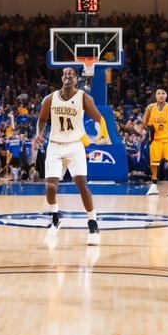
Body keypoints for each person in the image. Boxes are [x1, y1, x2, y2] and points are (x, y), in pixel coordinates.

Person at [32, 66, 108, 246]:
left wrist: (101, 133)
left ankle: (92, 223)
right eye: (65, 74)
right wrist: (38, 133)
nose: (68, 76)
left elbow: (99, 119)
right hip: (55, 145)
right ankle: (55, 217)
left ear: (76, 79)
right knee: (50, 187)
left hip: (75, 146)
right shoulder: (50, 98)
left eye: (72, 74)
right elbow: (42, 119)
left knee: (81, 184)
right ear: (61, 78)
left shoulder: (84, 97)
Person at [142, 88, 168, 196]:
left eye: (163, 93)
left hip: (166, 140)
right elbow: (145, 123)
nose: (161, 95)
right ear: (155, 96)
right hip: (155, 140)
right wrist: (148, 129)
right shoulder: (150, 108)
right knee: (153, 163)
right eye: (158, 93)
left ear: (166, 96)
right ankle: (154, 185)